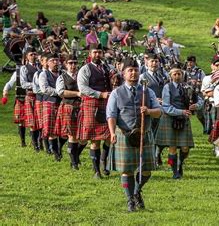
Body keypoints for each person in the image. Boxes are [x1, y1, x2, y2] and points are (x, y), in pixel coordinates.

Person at [107, 57, 162, 212]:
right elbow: (111, 115)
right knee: (127, 170)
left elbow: (159, 112)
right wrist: (112, 133)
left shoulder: (147, 91)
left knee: (146, 170)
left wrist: (149, 111)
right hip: (125, 134)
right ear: (123, 73)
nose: (133, 73)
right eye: (130, 70)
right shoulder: (116, 93)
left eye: (136, 70)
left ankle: (137, 191)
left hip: (144, 134)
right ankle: (130, 199)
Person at [158, 64, 203, 179]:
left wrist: (196, 105)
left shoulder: (188, 87)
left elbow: (201, 100)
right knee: (172, 147)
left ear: (182, 75)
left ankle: (180, 163)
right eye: (175, 74)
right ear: (170, 76)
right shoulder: (167, 87)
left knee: (185, 148)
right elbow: (166, 107)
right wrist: (181, 112)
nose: (177, 76)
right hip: (170, 119)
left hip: (184, 119)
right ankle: (175, 172)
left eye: (179, 73)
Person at [77, 46, 113, 178]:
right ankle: (96, 170)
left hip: (106, 104)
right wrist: (100, 94)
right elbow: (82, 88)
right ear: (90, 54)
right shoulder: (85, 69)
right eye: (95, 52)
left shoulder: (106, 67)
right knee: (95, 140)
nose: (98, 54)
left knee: (109, 137)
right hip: (91, 104)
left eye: (99, 52)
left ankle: (104, 163)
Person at [54, 54, 85, 170]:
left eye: (75, 63)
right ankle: (74, 163)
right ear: (65, 64)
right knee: (72, 135)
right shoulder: (61, 77)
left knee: (84, 137)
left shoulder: (82, 75)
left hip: (82, 107)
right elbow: (61, 92)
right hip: (68, 107)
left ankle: (76, 155)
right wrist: (77, 94)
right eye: (70, 63)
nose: (73, 65)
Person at [39, 53, 66, 161]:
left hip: (62, 104)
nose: (55, 62)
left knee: (64, 131)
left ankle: (59, 147)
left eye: (57, 60)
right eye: (52, 61)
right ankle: (56, 153)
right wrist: (60, 92)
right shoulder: (43, 74)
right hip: (49, 103)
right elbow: (44, 89)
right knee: (51, 131)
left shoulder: (63, 74)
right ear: (48, 63)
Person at [20, 49, 42, 151]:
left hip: (40, 96)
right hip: (30, 96)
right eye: (31, 54)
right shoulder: (24, 68)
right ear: (27, 57)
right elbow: (23, 84)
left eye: (34, 54)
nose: (33, 56)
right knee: (32, 122)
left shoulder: (40, 67)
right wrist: (37, 85)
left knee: (40, 121)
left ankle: (40, 142)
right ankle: (35, 145)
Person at [2, 67, 27, 147]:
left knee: (35, 121)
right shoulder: (18, 72)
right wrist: (5, 91)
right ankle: (23, 141)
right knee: (21, 120)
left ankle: (36, 141)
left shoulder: (37, 69)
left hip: (34, 97)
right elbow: (10, 83)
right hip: (21, 98)